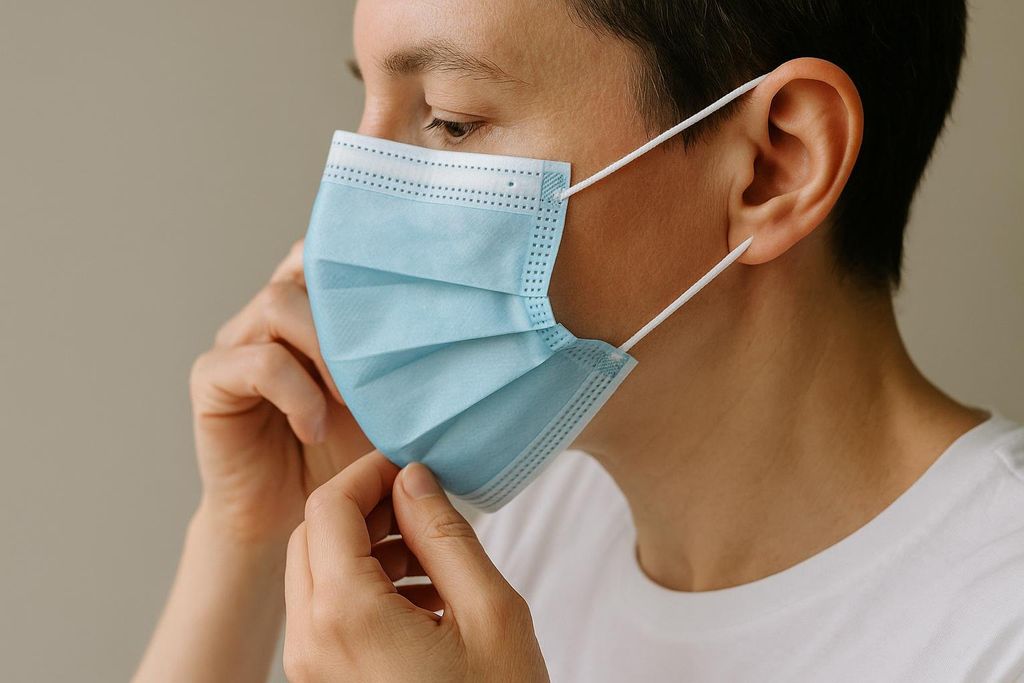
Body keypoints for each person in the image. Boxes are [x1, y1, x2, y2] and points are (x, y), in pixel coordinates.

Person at [134, 0, 1024, 681]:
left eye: (447, 119)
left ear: (774, 163)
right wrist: (248, 538)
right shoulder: (510, 528)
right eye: (371, 106)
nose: (349, 211)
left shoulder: (996, 625)